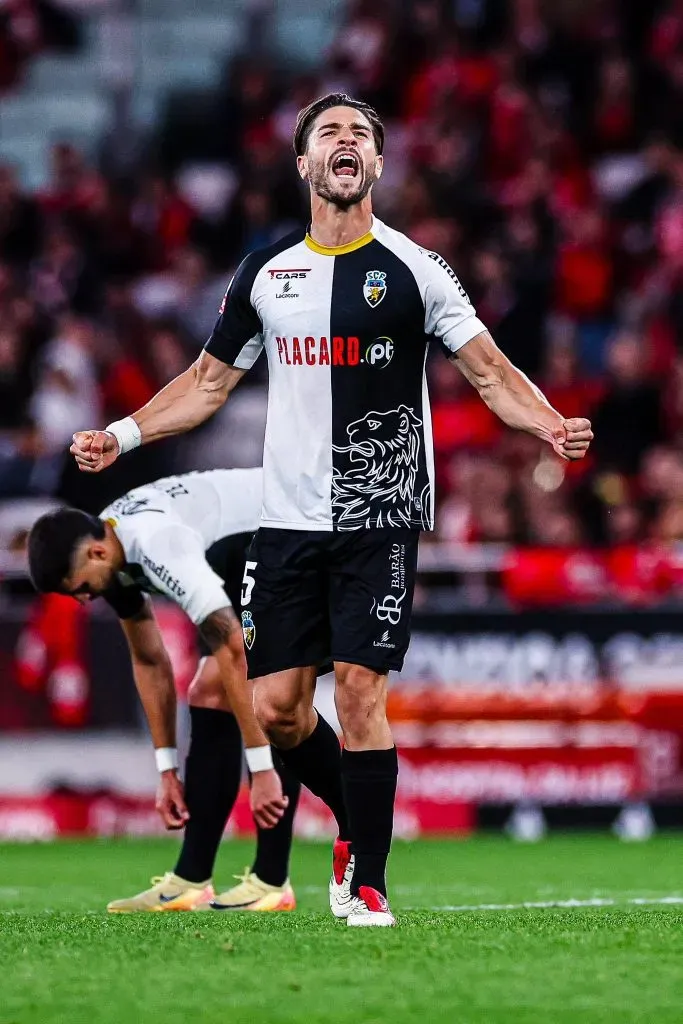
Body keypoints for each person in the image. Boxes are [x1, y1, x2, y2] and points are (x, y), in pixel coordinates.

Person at [69, 93, 594, 927]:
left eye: (359, 136)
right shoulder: (266, 275)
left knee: (358, 693)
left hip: (378, 512)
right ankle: (357, 819)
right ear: (305, 165)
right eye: (328, 136)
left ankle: (368, 879)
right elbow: (208, 383)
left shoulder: (417, 268)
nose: (345, 144)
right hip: (286, 522)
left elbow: (489, 370)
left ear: (378, 166)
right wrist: (124, 434)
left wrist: (550, 425)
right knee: (275, 711)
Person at [27, 468, 301, 913]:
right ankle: (192, 880)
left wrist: (262, 769)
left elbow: (233, 648)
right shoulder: (110, 555)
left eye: (78, 588)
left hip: (292, 528)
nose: (81, 600)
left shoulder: (156, 544)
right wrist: (166, 769)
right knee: (208, 692)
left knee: (264, 694)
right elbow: (150, 659)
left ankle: (272, 880)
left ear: (96, 552)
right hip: (239, 553)